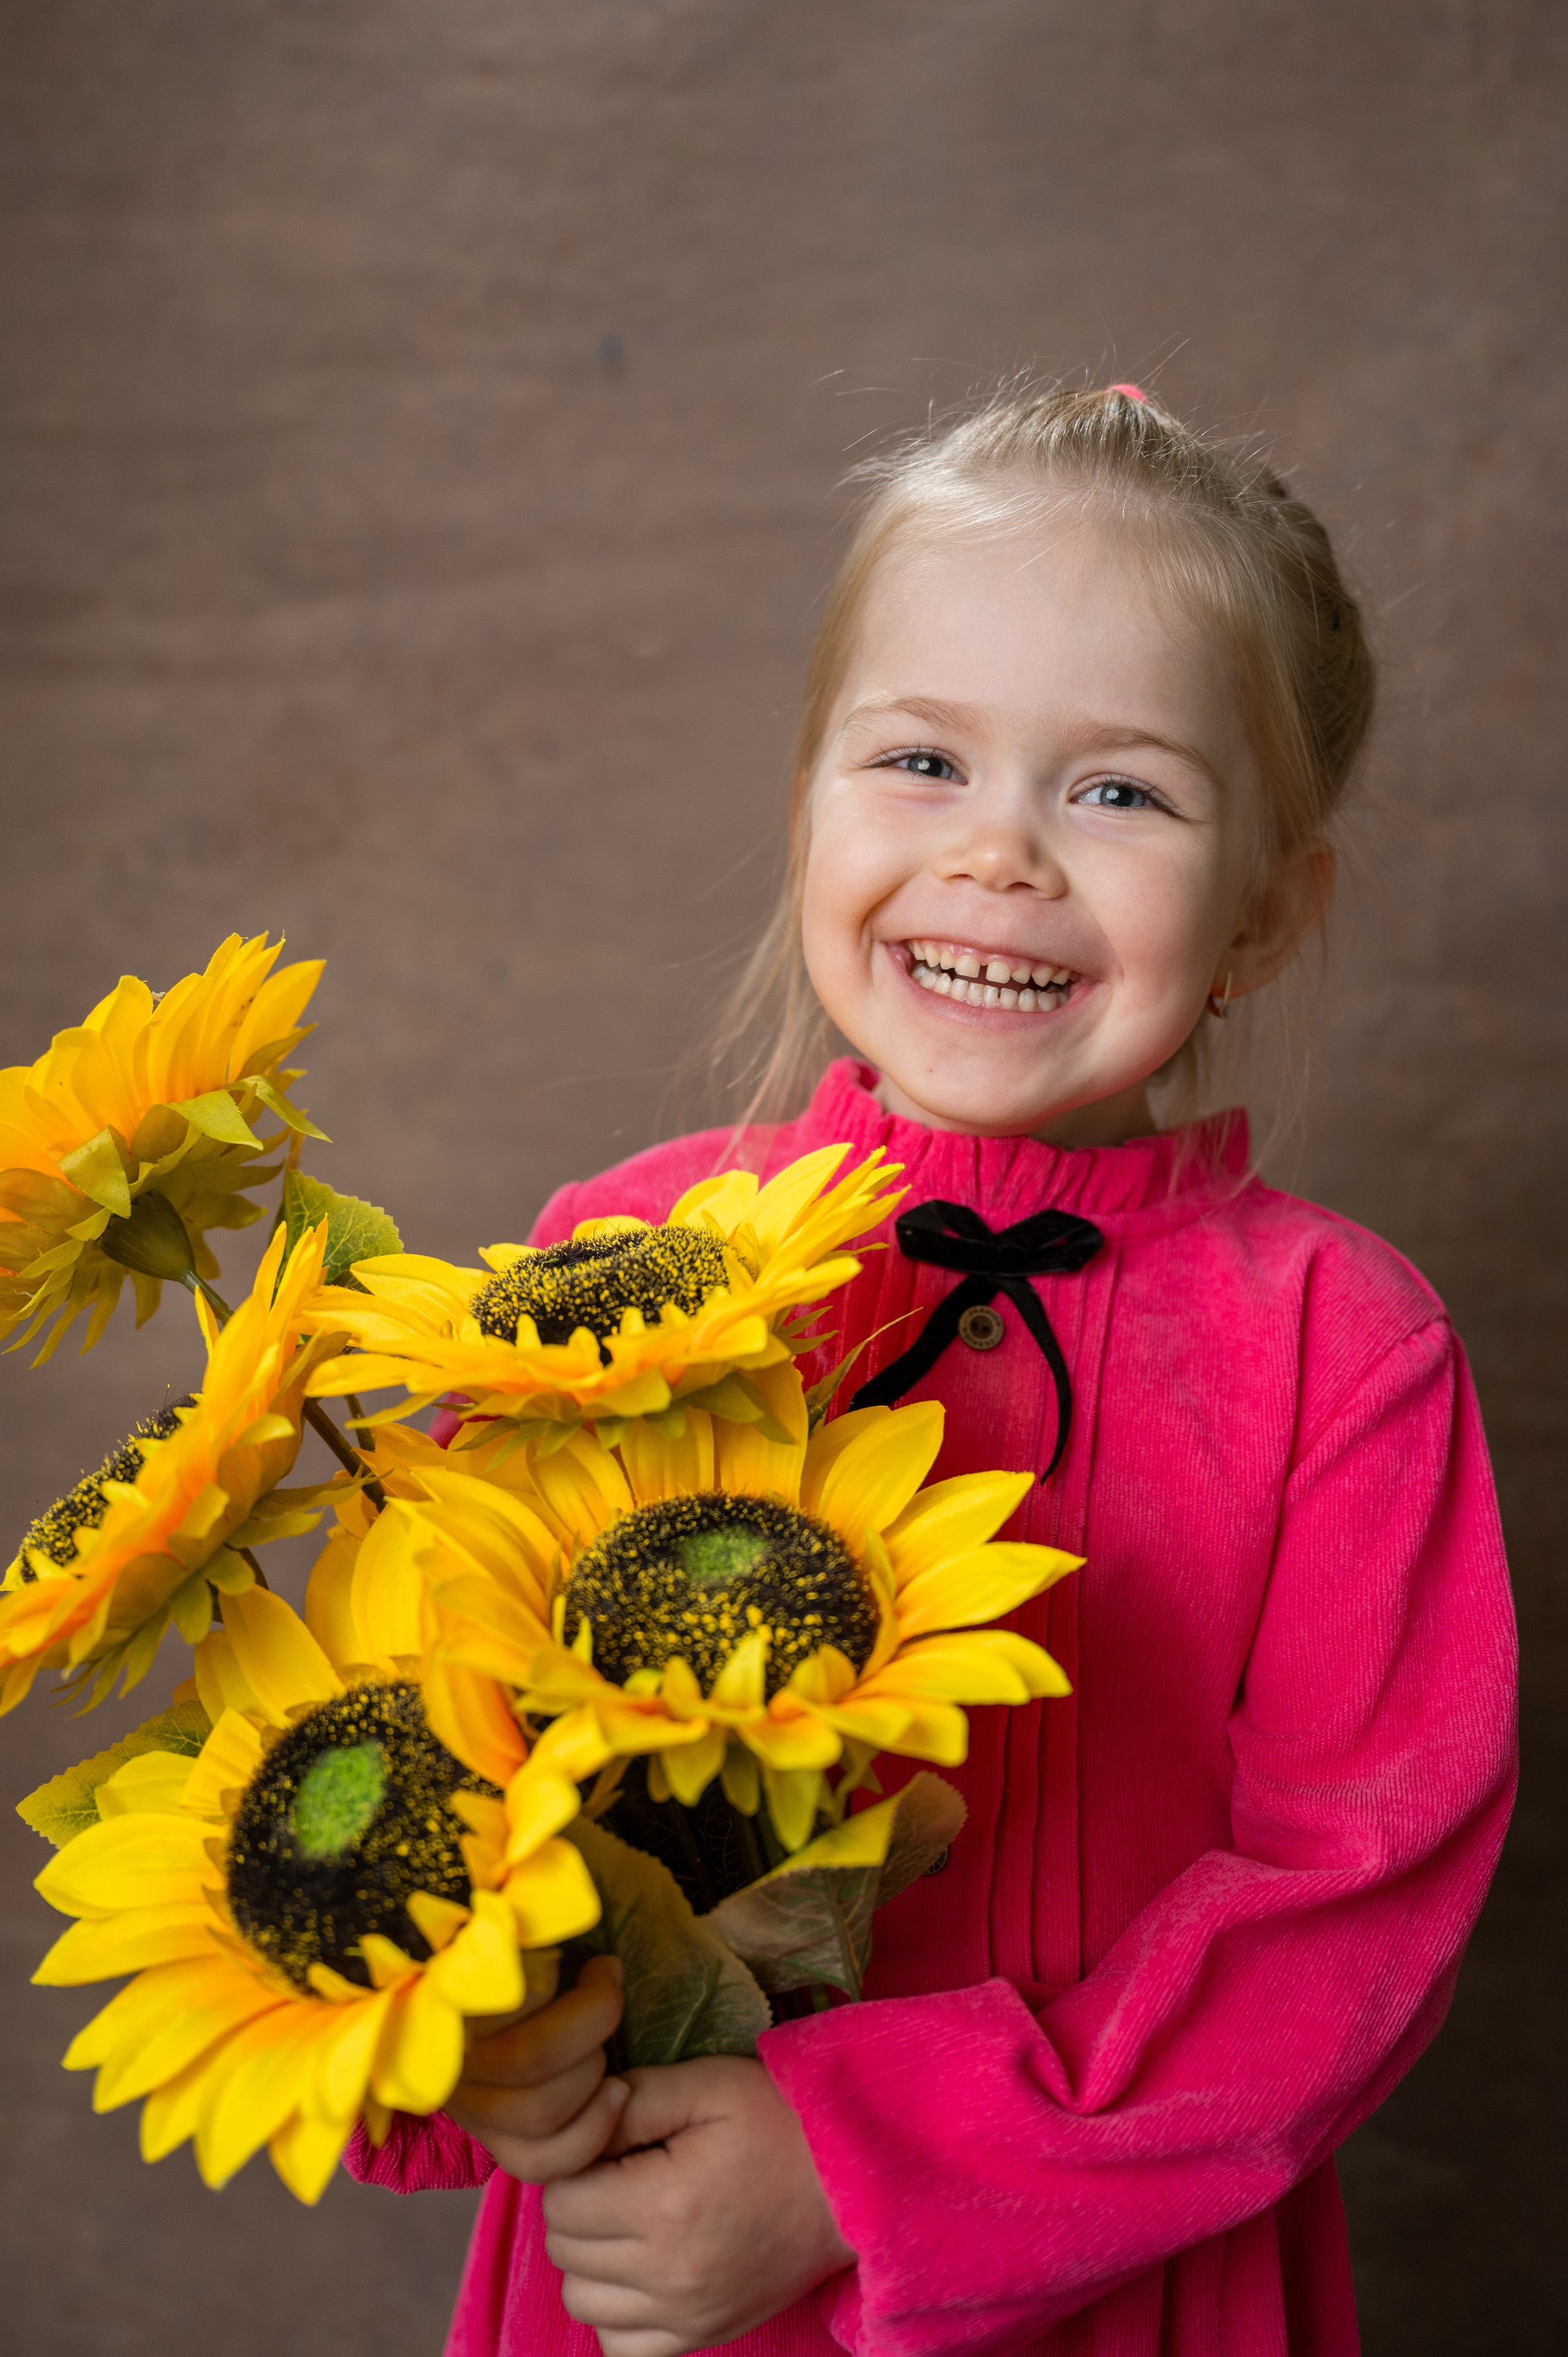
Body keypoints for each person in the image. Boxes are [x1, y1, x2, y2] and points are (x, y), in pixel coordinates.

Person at [346, 382, 1518, 2357]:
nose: (1000, 853)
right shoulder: (613, 1269)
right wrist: (487, 2043)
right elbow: (442, 1745)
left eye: (1121, 793)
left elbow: (1353, 1912)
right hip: (654, 2268)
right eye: (919, 760)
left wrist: (853, 2169)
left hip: (1133, 2294)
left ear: (1264, 911)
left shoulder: (1349, 1353)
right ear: (810, 800)